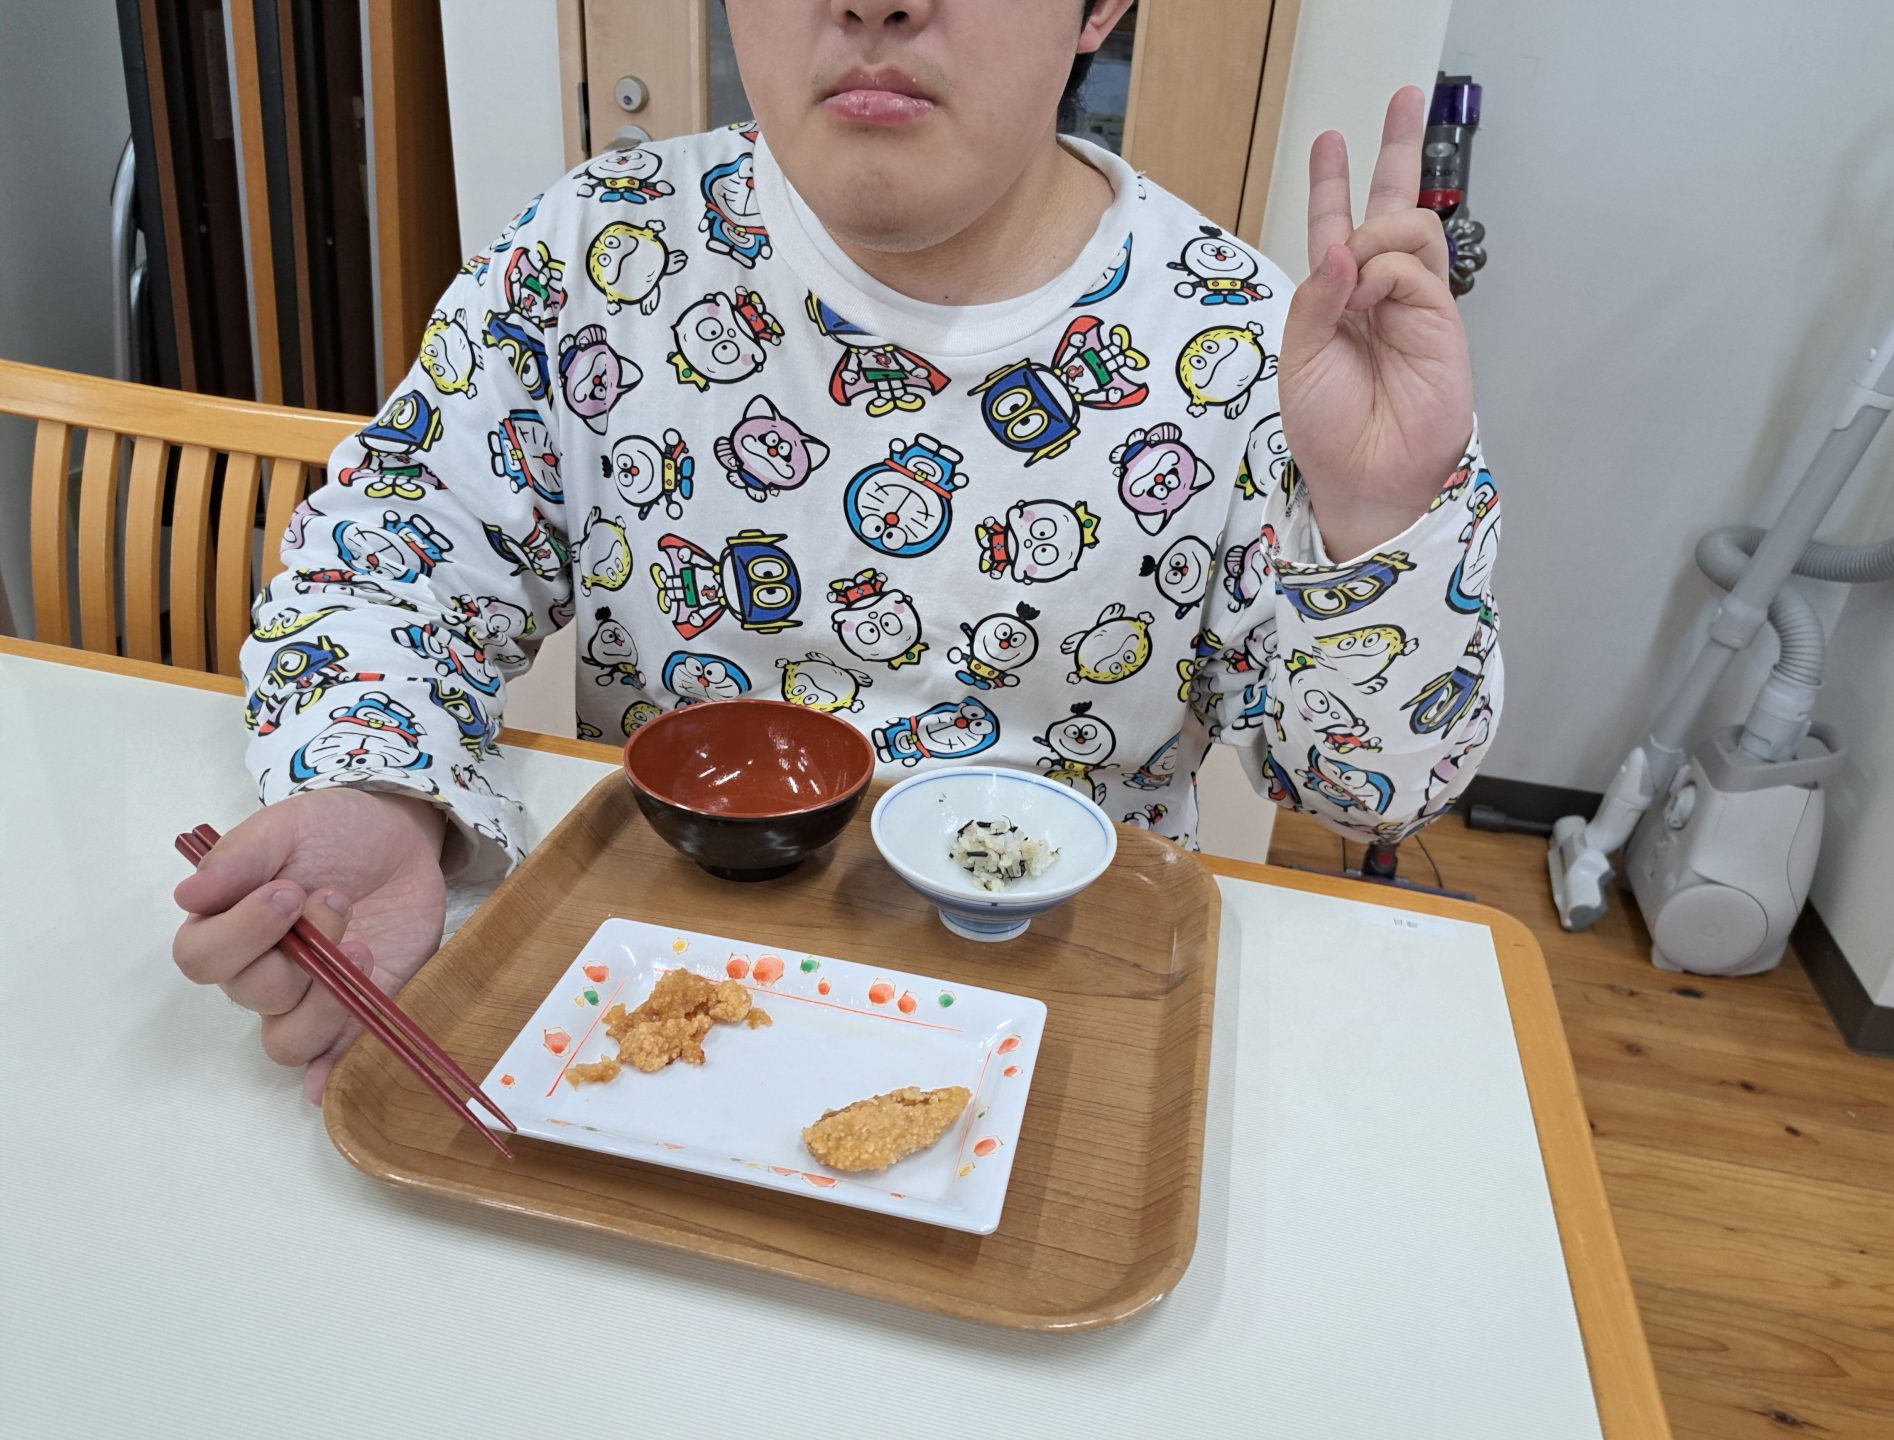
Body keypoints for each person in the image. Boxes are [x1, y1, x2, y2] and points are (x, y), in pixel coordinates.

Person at [173, 0, 1502, 1100]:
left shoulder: (1239, 344)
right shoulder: (599, 256)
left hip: (1051, 1041)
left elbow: (1366, 789)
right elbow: (389, 559)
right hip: (651, 1029)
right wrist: (376, 791)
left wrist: (1379, 520)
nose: (875, 4)